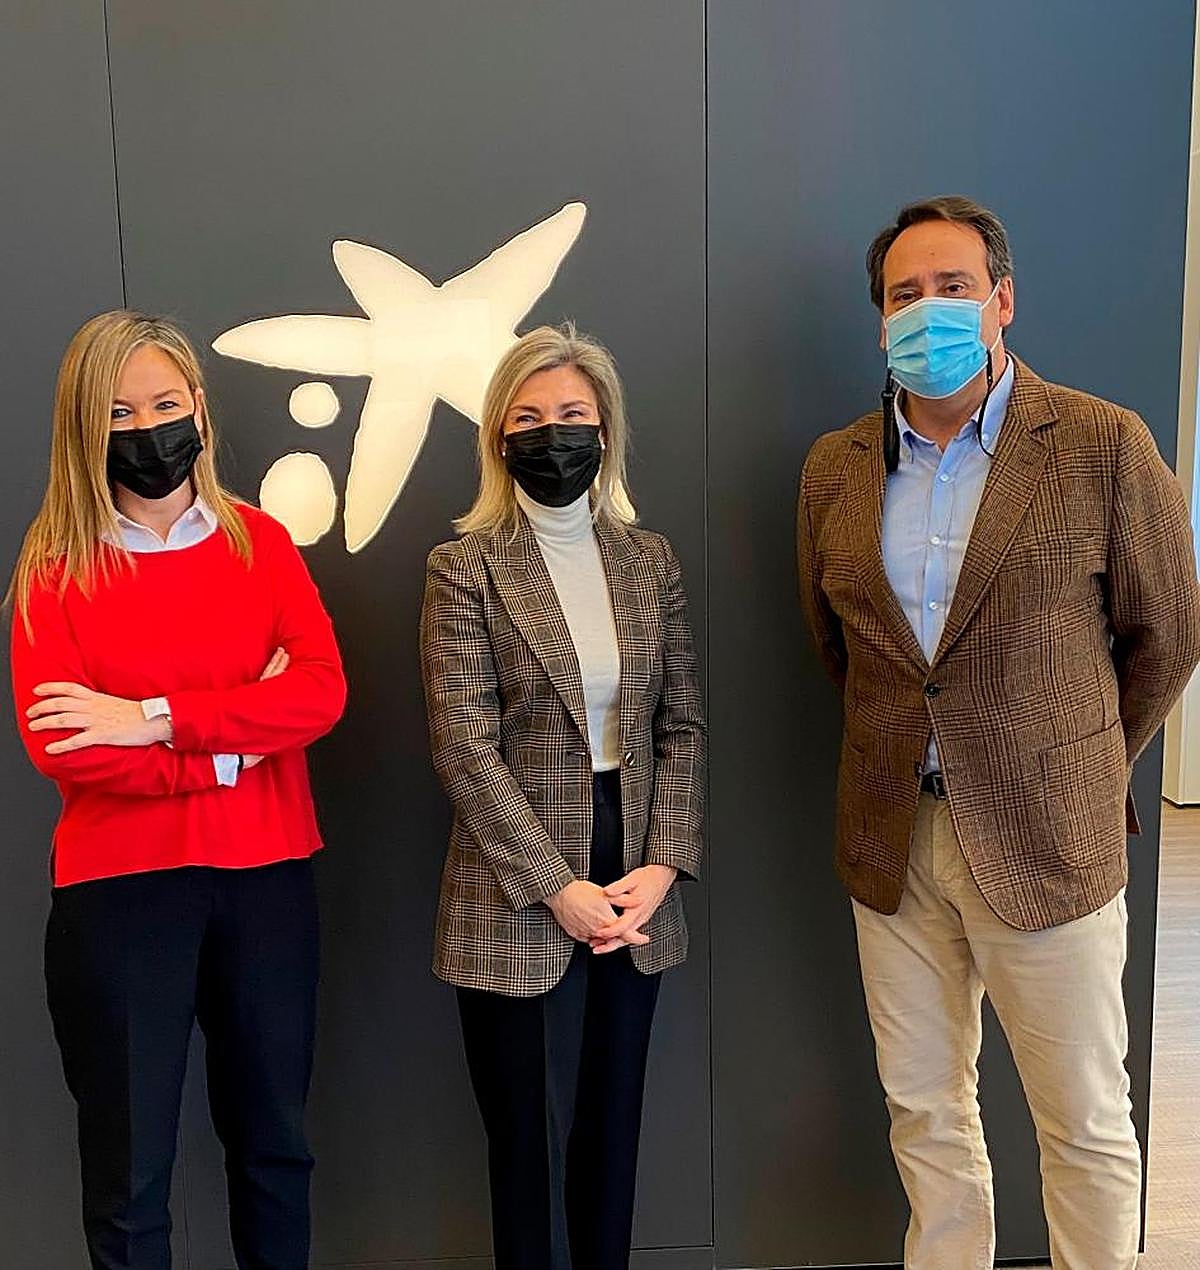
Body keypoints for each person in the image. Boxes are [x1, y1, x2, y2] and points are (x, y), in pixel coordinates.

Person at [796, 196, 1200, 1270]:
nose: (927, 309)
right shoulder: (836, 466)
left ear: (1002, 300)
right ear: (880, 319)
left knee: (1083, 1120)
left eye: (953, 287)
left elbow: (1167, 633)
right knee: (925, 1109)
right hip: (893, 841)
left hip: (1050, 838)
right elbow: (842, 645)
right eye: (904, 295)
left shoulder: (1102, 443)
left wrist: (1083, 762)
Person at [9, 310, 347, 1270]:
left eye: (164, 404)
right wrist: (238, 742)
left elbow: (319, 694)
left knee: (276, 1150)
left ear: (198, 405)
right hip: (119, 894)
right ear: (85, 426)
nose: (148, 428)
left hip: (267, 881)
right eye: (119, 413)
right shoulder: (54, 567)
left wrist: (151, 716)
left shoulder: (261, 544)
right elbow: (66, 746)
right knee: (129, 1178)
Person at [420, 323, 705, 1270]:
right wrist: (556, 886)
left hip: (635, 870)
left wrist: (662, 865)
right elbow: (464, 746)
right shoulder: (463, 566)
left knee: (611, 1135)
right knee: (527, 1151)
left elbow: (682, 724)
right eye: (529, 418)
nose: (553, 433)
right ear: (498, 439)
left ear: (605, 429)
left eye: (572, 414)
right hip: (516, 885)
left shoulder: (650, 560)